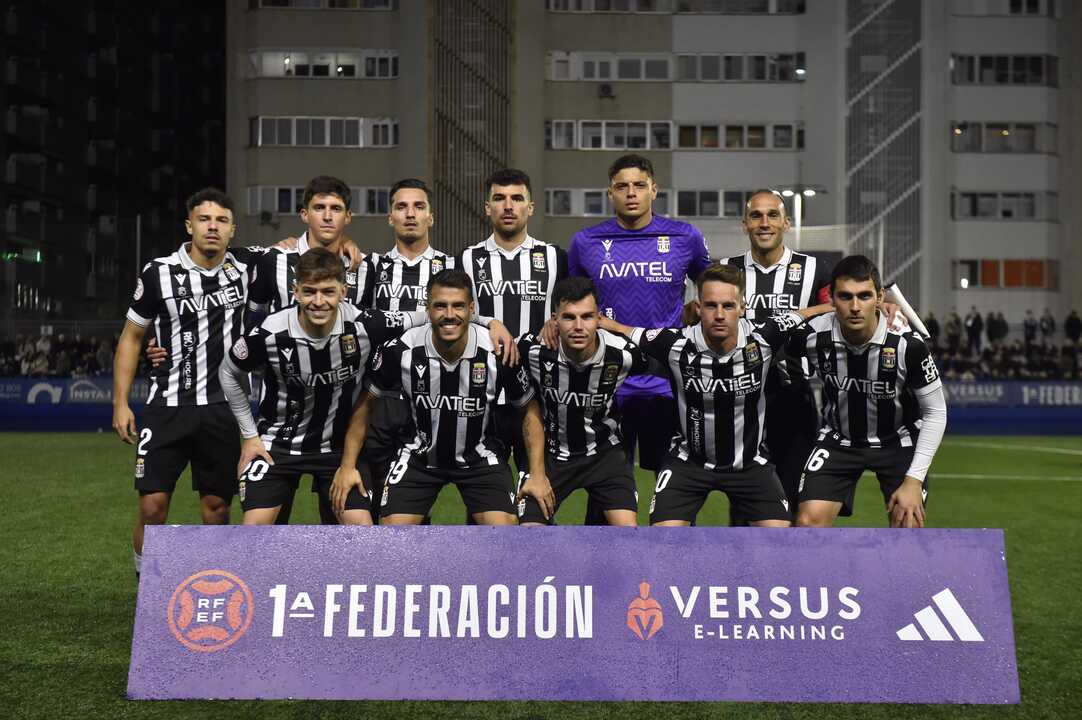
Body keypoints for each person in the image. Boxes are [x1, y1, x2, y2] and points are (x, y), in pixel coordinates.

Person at [600, 263, 830, 527]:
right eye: (711, 305)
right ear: (698, 308)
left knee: (778, 540)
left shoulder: (764, 337)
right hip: (689, 463)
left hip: (750, 464)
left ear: (742, 307)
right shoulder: (675, 344)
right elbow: (625, 330)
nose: (719, 314)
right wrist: (590, 322)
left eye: (728, 306)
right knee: (662, 538)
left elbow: (801, 314)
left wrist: (834, 306)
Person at [112, 188, 264, 576]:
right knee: (152, 506)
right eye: (204, 219)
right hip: (167, 406)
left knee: (217, 508)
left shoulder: (247, 269)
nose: (212, 227)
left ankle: (213, 585)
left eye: (222, 220)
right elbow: (131, 338)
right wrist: (121, 402)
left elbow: (303, 252)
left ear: (232, 230)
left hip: (223, 410)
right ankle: (145, 583)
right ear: (189, 225)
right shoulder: (159, 272)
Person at [220, 249, 431, 525]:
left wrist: (488, 323)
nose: (318, 302)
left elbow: (429, 315)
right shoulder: (270, 333)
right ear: (295, 291)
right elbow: (228, 372)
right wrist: (249, 436)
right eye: (309, 292)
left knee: (362, 531)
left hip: (337, 449)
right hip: (276, 445)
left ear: (343, 291)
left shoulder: (365, 325)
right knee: (253, 530)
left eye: (328, 292)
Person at [333, 269, 545, 526]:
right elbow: (365, 406)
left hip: (479, 458)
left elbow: (529, 409)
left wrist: (538, 473)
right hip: (419, 457)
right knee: (393, 537)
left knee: (503, 533)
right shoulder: (402, 350)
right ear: (428, 308)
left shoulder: (498, 353)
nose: (449, 315)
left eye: (458, 306)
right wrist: (347, 466)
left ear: (471, 309)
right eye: (440, 306)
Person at [565, 154, 711, 523]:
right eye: (622, 186)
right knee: (605, 486)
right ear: (610, 193)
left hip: (668, 378)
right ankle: (603, 575)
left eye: (639, 185)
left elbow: (713, 288)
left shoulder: (684, 237)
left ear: (654, 190)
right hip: (609, 381)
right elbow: (571, 299)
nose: (631, 193)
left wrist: (695, 310)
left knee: (677, 487)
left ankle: (672, 568)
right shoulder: (587, 242)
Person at [788, 255, 947, 529]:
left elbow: (936, 411)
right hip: (839, 439)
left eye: (864, 296)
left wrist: (914, 481)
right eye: (845, 297)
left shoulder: (908, 345)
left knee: (907, 523)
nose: (855, 307)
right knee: (807, 523)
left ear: (880, 296)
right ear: (832, 299)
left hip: (898, 441)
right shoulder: (812, 336)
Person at [717, 189, 833, 523]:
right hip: (740, 400)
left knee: (796, 498)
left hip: (794, 397)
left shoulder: (816, 269)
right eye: (756, 215)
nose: (764, 223)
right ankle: (746, 574)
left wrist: (802, 314)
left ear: (786, 222)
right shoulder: (726, 270)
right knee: (743, 503)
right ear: (745, 225)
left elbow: (839, 308)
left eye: (772, 215)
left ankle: (794, 573)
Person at [351, 179, 458, 521]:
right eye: (401, 207)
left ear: (431, 217)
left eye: (419, 207)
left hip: (432, 399)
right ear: (390, 217)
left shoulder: (452, 267)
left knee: (414, 501)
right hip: (380, 399)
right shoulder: (371, 266)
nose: (410, 214)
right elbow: (356, 321)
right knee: (369, 496)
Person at [459, 169, 568, 483]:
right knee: (482, 500)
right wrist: (489, 321)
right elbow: (453, 311)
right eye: (499, 198)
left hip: (539, 396)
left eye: (517, 199)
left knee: (535, 492)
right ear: (487, 207)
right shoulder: (467, 258)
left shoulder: (554, 257)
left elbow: (573, 306)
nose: (508, 206)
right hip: (484, 395)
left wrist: (555, 320)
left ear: (530, 207)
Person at [516, 277, 647, 527]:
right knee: (528, 536)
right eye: (569, 317)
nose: (578, 326)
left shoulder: (624, 355)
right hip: (553, 455)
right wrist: (537, 472)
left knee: (629, 535)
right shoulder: (532, 351)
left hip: (605, 455)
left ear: (599, 319)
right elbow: (528, 407)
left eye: (587, 317)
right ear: (554, 320)